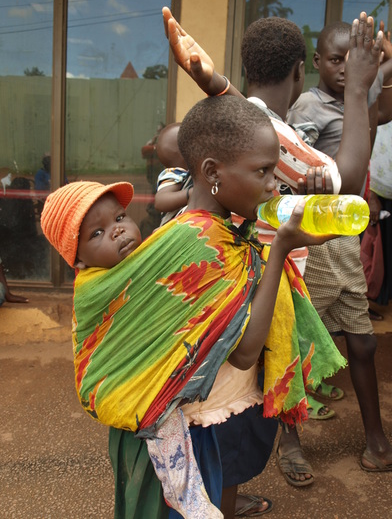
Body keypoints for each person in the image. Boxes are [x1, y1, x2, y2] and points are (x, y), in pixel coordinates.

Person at [40, 95, 345, 519]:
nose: (273, 184)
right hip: (185, 426)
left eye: (274, 171)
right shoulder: (195, 245)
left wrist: (304, 218)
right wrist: (279, 250)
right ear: (212, 173)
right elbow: (244, 353)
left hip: (221, 410)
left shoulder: (223, 232)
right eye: (262, 171)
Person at [162, 7, 386, 492]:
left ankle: (223, 493)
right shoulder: (270, 133)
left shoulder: (250, 122)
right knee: (234, 411)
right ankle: (221, 495)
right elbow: (348, 181)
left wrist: (213, 80)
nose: (270, 181)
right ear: (301, 72)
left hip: (245, 289)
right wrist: (357, 89)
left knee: (228, 410)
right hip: (254, 293)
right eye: (263, 173)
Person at [287, 21, 392, 473]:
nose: (343, 69)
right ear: (316, 62)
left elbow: (384, 113)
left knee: (363, 342)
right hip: (314, 241)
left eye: (351, 62)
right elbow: (300, 170)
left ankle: (376, 443)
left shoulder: (356, 97)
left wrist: (382, 64)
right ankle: (288, 441)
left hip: (345, 238)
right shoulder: (308, 107)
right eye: (336, 60)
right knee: (296, 342)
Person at [368, 73, 392, 307]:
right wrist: (371, 195)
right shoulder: (373, 112)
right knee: (370, 253)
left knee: (388, 255)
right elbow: (367, 156)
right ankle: (367, 305)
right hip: (374, 195)